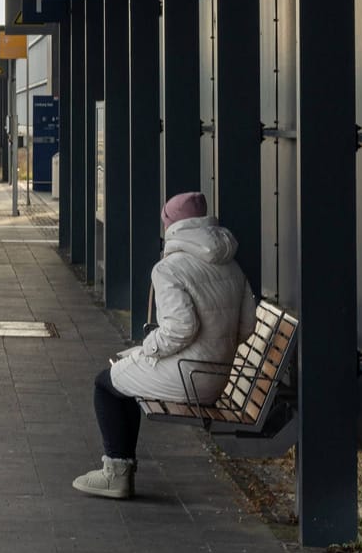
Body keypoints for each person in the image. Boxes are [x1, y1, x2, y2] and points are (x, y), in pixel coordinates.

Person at [73, 191, 256, 500]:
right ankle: (121, 470)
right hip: (218, 377)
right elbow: (247, 327)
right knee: (125, 379)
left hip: (186, 377)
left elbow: (181, 328)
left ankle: (116, 474)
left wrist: (149, 348)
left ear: (170, 225)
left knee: (106, 383)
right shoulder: (231, 265)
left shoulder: (169, 268)